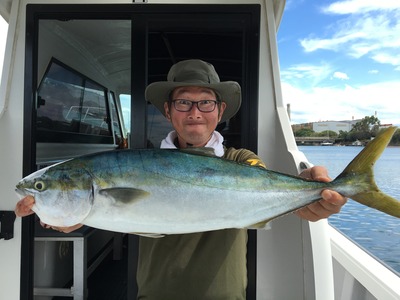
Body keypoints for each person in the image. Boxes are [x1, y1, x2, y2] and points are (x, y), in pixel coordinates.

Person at [16, 59, 347, 299]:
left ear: (219, 110)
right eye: (184, 102)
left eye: (205, 102)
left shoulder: (240, 161)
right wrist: (61, 217)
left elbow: (261, 182)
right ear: (168, 110)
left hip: (225, 295)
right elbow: (87, 212)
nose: (195, 112)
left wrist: (308, 191)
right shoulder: (139, 162)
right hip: (155, 294)